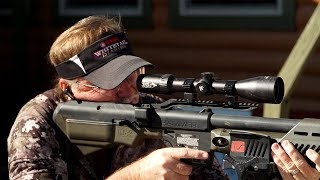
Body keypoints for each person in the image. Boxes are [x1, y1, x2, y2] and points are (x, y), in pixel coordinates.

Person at [7, 15, 320, 180]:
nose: (130, 93)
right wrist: (135, 176)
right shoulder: (39, 122)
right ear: (70, 86)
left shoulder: (158, 116)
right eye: (113, 83)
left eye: (133, 77)